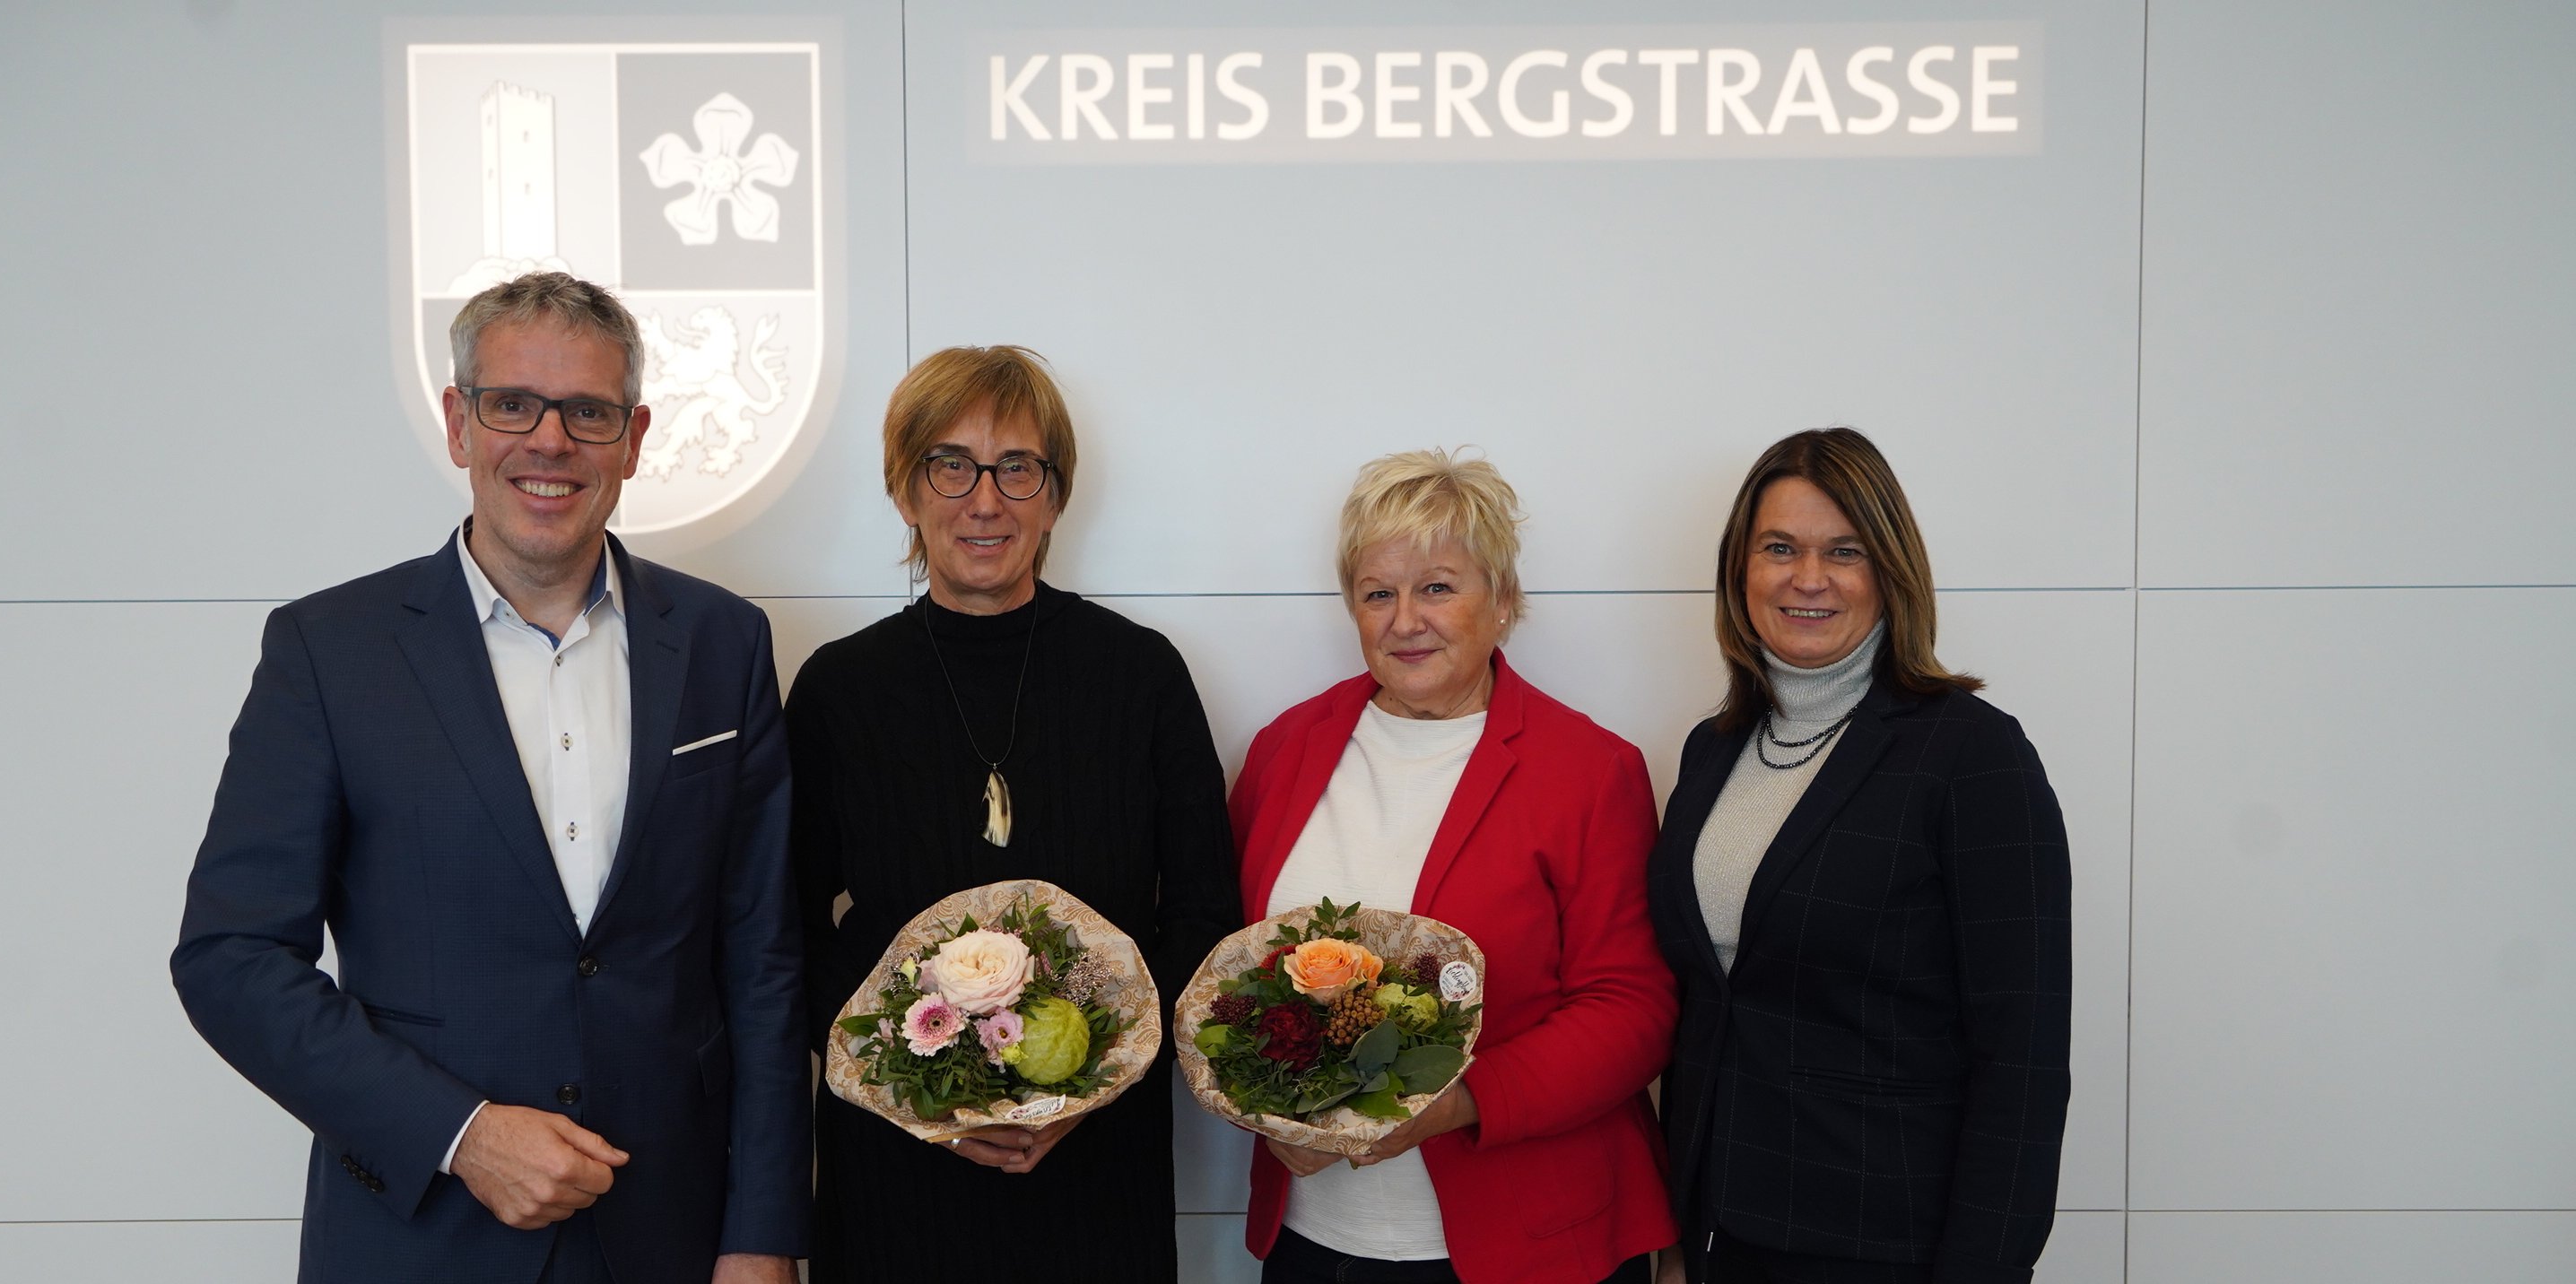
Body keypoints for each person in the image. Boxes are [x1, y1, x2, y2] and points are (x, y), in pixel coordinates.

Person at [171, 273, 810, 1284]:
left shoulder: (725, 642)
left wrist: (762, 1231)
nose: (549, 441)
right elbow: (230, 958)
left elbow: (762, 961)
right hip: (418, 1235)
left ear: (634, 438)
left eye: (587, 412)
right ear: (459, 423)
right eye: (513, 403)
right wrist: (459, 1132)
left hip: (671, 1238)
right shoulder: (330, 651)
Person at [786, 345, 1240, 1282]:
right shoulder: (839, 688)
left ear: (1054, 494)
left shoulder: (1141, 675)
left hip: (1094, 1169)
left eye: (1016, 468)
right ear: (905, 489)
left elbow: (1200, 916)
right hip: (894, 1175)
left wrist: (1090, 1086)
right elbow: (785, 929)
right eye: (948, 465)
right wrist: (915, 1090)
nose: (982, 500)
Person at [1231, 448, 1676, 1284]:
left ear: (1503, 601)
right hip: (1317, 1238)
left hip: (1530, 1242)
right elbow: (1229, 974)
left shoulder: (1588, 769)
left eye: (1437, 586)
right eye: (1378, 592)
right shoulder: (1284, 751)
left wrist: (1454, 1103)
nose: (1405, 620)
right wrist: (1258, 1098)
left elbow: (1633, 1008)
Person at [1649, 428, 2071, 1284]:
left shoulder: (1971, 757)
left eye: (1844, 551)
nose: (1809, 578)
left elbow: (2021, 1059)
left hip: (1888, 1245)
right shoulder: (1713, 748)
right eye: (1780, 548)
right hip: (1721, 1231)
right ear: (1741, 568)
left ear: (1890, 571)